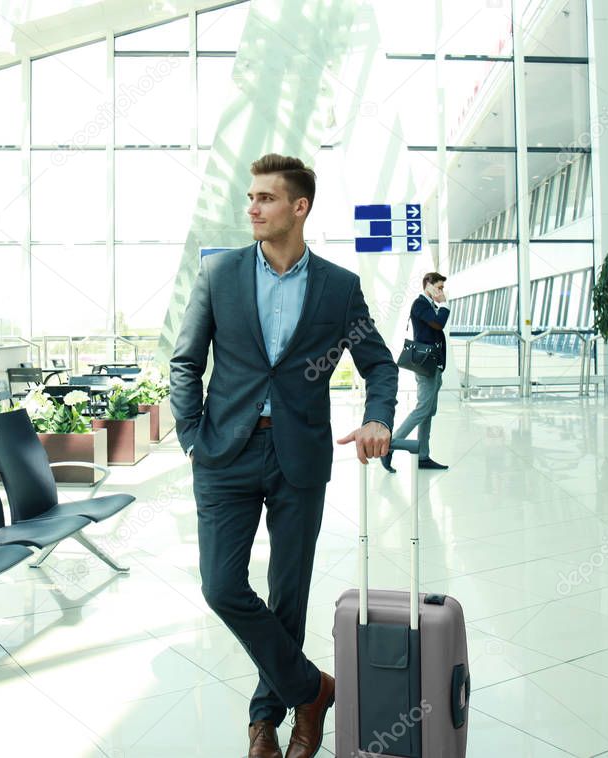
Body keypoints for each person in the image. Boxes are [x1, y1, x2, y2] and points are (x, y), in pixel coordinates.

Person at [170, 153, 398, 758]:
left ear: (299, 207)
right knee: (221, 586)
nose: (252, 207)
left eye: (266, 198)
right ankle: (313, 689)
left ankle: (268, 720)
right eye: (250, 197)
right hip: (225, 452)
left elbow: (378, 363)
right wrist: (192, 436)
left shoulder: (338, 287)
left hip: (299, 455)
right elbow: (185, 362)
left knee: (287, 592)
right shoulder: (220, 276)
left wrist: (378, 417)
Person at [382, 272, 449, 473]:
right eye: (439, 287)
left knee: (429, 411)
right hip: (426, 366)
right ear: (428, 285)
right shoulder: (420, 304)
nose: (441, 291)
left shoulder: (429, 306)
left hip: (434, 365)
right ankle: (390, 446)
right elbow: (438, 324)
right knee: (422, 409)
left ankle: (423, 456)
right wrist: (445, 304)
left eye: (442, 288)